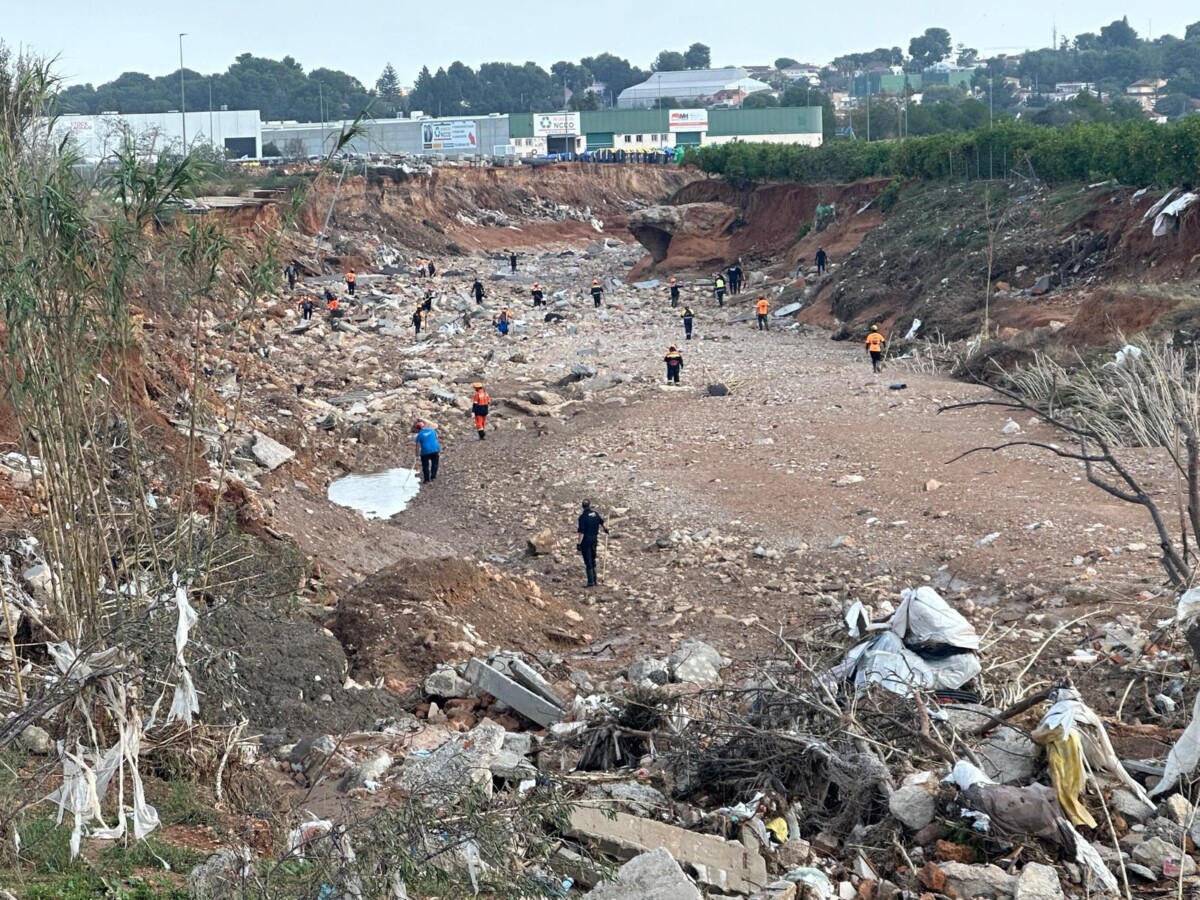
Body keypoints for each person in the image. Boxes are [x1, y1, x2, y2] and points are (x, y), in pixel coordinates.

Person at [577, 499, 609, 588]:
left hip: (586, 541)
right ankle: (595, 581)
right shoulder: (595, 514)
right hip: (594, 540)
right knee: (593, 559)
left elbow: (581, 532)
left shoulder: (582, 517)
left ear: (582, 506)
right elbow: (602, 522)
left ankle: (591, 582)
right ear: (589, 505)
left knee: (588, 561)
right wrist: (606, 529)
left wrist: (579, 544)